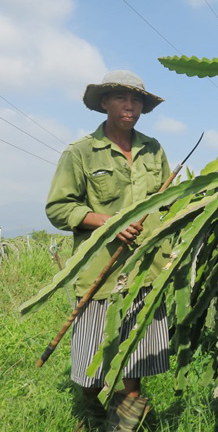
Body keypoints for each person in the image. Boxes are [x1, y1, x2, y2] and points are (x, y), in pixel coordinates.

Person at [46, 70, 172, 431]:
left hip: (145, 270)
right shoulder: (80, 153)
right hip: (99, 273)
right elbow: (58, 209)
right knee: (91, 363)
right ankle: (93, 410)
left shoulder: (154, 150)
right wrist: (109, 222)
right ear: (104, 103)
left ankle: (123, 424)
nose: (129, 105)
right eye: (121, 98)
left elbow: (167, 204)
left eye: (136, 100)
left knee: (135, 357)